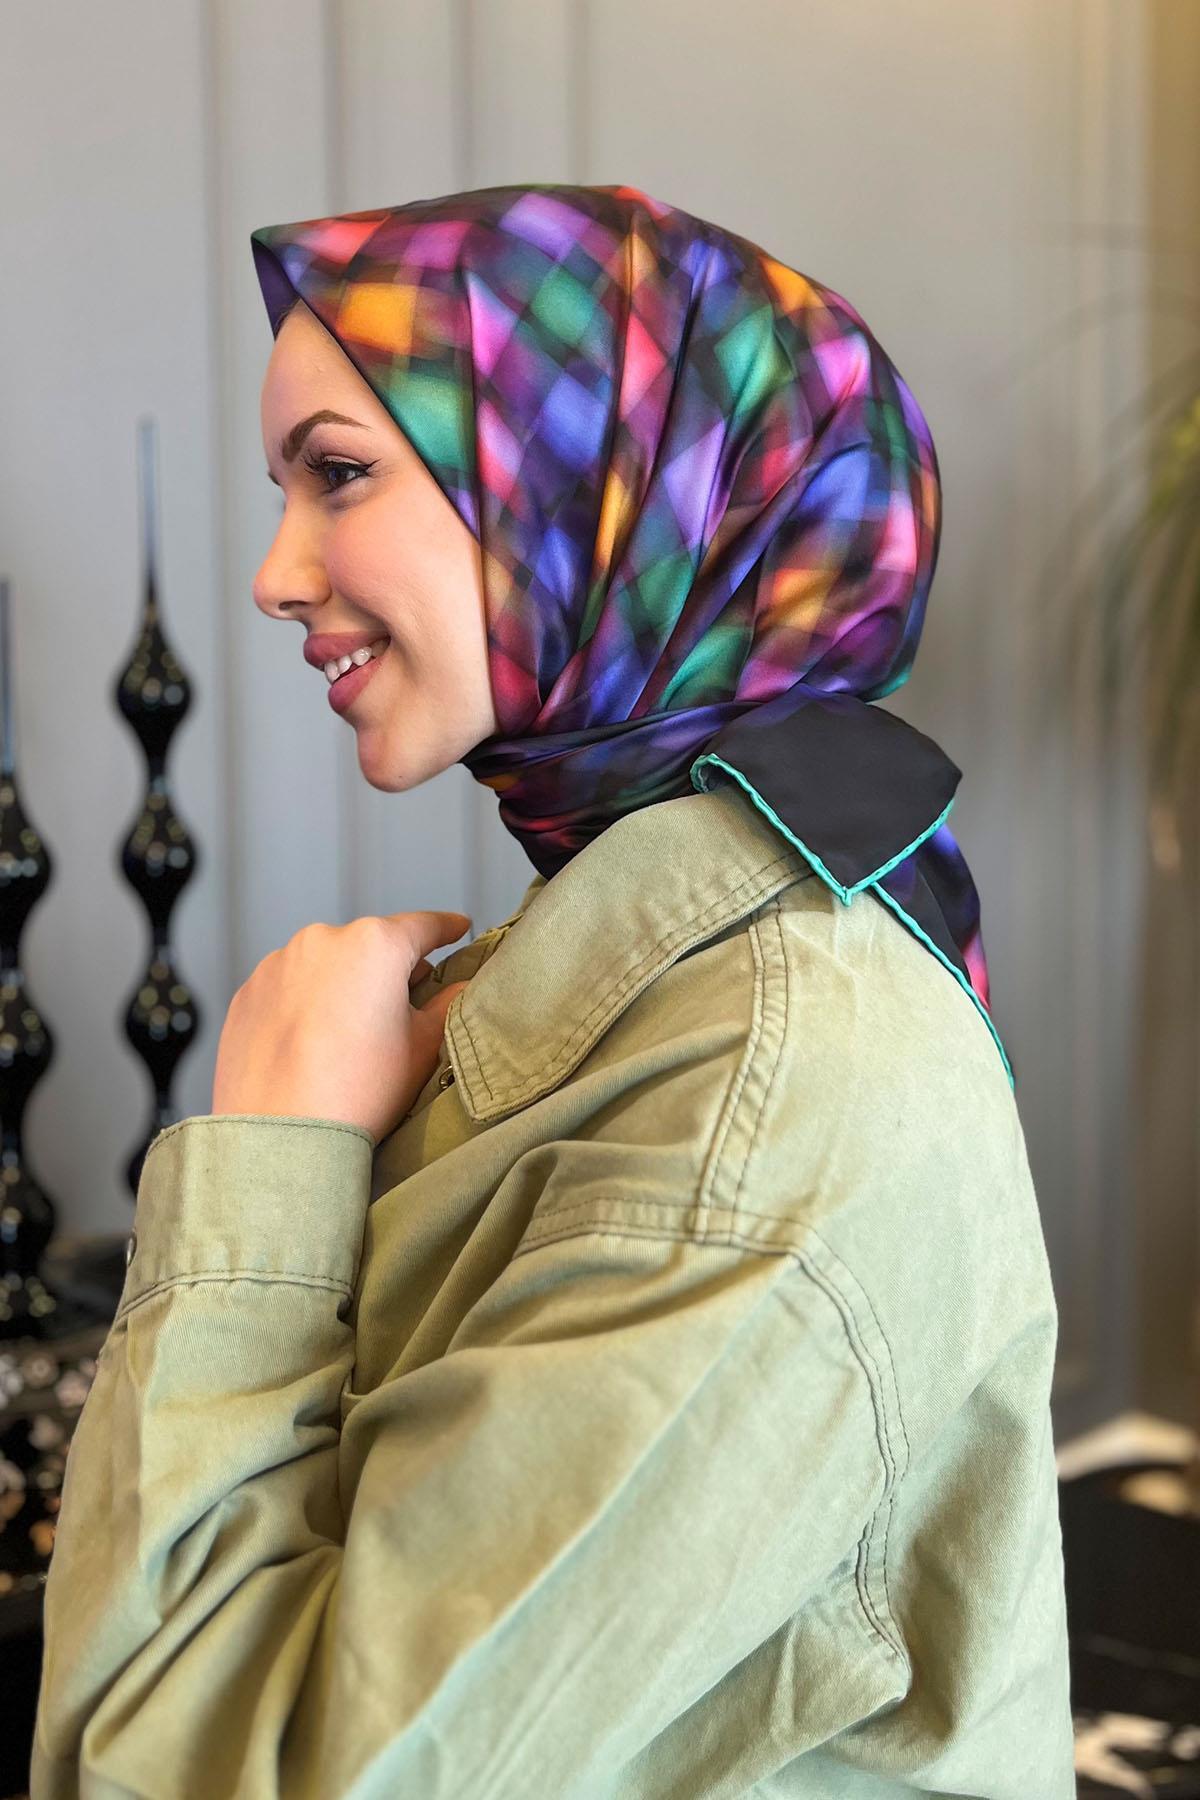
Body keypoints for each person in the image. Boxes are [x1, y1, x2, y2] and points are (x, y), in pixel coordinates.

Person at [31, 183, 1075, 1798]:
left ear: (604, 492)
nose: (276, 575)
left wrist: (268, 1165)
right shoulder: (670, 976)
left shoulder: (763, 1110)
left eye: (339, 473)